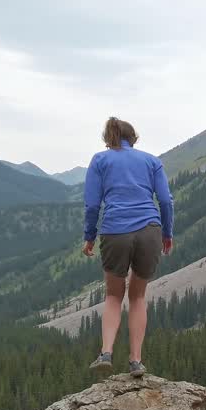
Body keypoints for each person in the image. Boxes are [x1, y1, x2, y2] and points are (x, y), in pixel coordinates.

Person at [83, 117, 174, 378]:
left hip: (115, 230)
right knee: (138, 296)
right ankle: (135, 362)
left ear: (108, 138)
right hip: (149, 231)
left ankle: (106, 354)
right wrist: (167, 233)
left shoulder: (100, 160)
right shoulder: (151, 161)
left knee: (114, 296)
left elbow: (92, 205)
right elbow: (165, 201)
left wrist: (90, 236)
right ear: (133, 138)